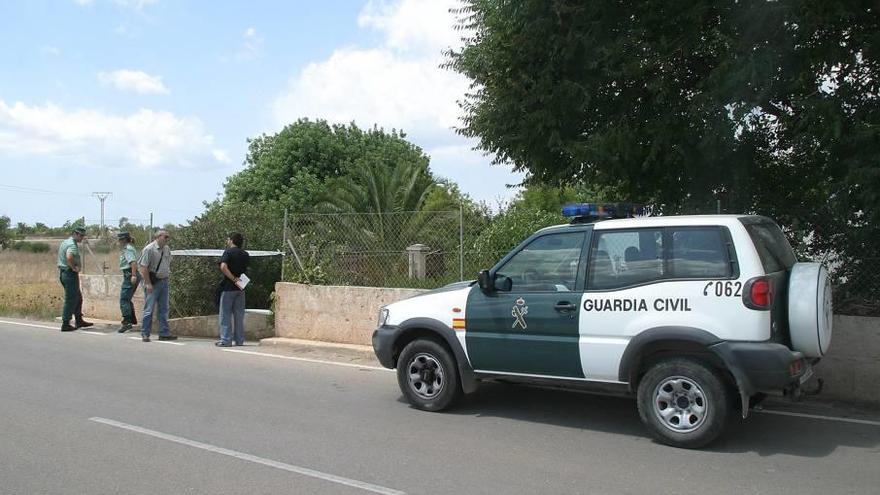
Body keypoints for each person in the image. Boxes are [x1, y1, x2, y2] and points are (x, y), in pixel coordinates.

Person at [137, 229, 177, 342]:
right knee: (149, 309)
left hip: (164, 281)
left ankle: (164, 333)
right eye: (165, 237)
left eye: (168, 237)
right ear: (158, 237)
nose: (167, 239)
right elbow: (143, 267)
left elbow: (168, 262)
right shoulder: (149, 249)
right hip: (153, 283)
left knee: (164, 309)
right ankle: (145, 333)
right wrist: (148, 283)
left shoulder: (166, 249)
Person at [216, 232, 250, 347]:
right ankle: (239, 340)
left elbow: (223, 267)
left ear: (231, 240)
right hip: (241, 287)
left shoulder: (228, 252)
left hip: (228, 287)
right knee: (239, 315)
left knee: (225, 315)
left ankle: (226, 340)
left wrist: (233, 278)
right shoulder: (245, 254)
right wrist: (238, 281)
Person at [57, 227, 93, 332]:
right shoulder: (72, 245)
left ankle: (79, 319)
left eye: (83, 235)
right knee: (71, 299)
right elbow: (69, 257)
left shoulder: (65, 242)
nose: (82, 238)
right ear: (75, 234)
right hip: (69, 274)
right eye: (80, 235)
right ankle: (66, 323)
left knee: (78, 297)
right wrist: (74, 267)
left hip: (64, 273)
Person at [117, 232, 140, 333]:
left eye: (120, 239)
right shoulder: (128, 248)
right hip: (129, 274)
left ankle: (127, 322)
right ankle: (132, 319)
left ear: (123, 240)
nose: (118, 242)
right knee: (127, 298)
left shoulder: (128, 249)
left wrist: (133, 275)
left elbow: (133, 262)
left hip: (129, 274)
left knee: (124, 299)